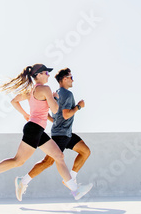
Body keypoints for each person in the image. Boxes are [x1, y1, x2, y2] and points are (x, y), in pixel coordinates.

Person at [0, 64, 93, 200]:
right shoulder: (46, 89)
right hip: (34, 129)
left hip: (37, 129)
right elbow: (54, 110)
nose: (48, 75)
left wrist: (25, 114)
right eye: (46, 73)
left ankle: (75, 191)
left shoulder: (31, 90)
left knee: (59, 156)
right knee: (18, 161)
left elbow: (14, 101)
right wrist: (55, 99)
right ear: (39, 75)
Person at [15, 68, 91, 201]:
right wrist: (79, 107)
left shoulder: (56, 93)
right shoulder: (67, 94)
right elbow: (66, 115)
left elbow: (51, 113)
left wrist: (52, 120)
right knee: (47, 162)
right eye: (71, 77)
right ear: (64, 79)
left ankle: (70, 179)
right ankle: (23, 181)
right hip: (60, 135)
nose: (73, 79)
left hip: (66, 133)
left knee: (85, 151)